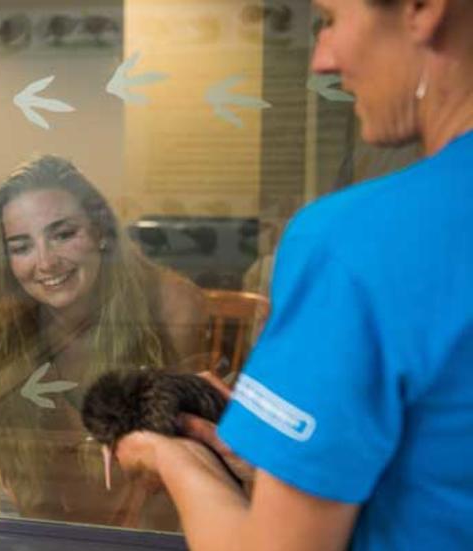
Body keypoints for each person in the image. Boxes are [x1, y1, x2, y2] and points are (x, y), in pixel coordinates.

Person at [115, 0, 473, 548]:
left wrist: (172, 457)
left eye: (331, 19)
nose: (321, 61)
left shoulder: (355, 242)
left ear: (423, 10)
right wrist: (277, 445)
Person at [0, 155, 207, 527]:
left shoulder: (171, 308)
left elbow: (176, 471)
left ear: (101, 231)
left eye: (63, 234)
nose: (46, 263)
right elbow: (25, 486)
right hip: (37, 519)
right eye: (21, 246)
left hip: (141, 526)